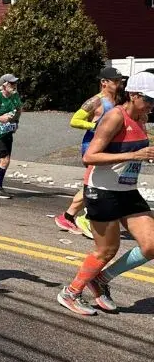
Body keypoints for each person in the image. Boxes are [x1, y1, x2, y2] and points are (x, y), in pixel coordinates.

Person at [56, 72, 154, 315]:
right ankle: (71, 292)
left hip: (127, 190)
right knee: (106, 250)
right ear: (134, 95)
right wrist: (133, 155)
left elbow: (134, 148)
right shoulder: (114, 117)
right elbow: (89, 157)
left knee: (151, 245)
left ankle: (100, 280)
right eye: (149, 100)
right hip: (102, 190)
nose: (152, 105)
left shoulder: (141, 117)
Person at [55, 67, 125, 237]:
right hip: (92, 146)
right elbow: (75, 120)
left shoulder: (117, 99)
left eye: (120, 81)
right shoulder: (96, 101)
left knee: (95, 182)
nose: (119, 84)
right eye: (115, 81)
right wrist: (95, 126)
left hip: (107, 146)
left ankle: (68, 216)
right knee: (98, 183)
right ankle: (86, 217)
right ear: (104, 82)